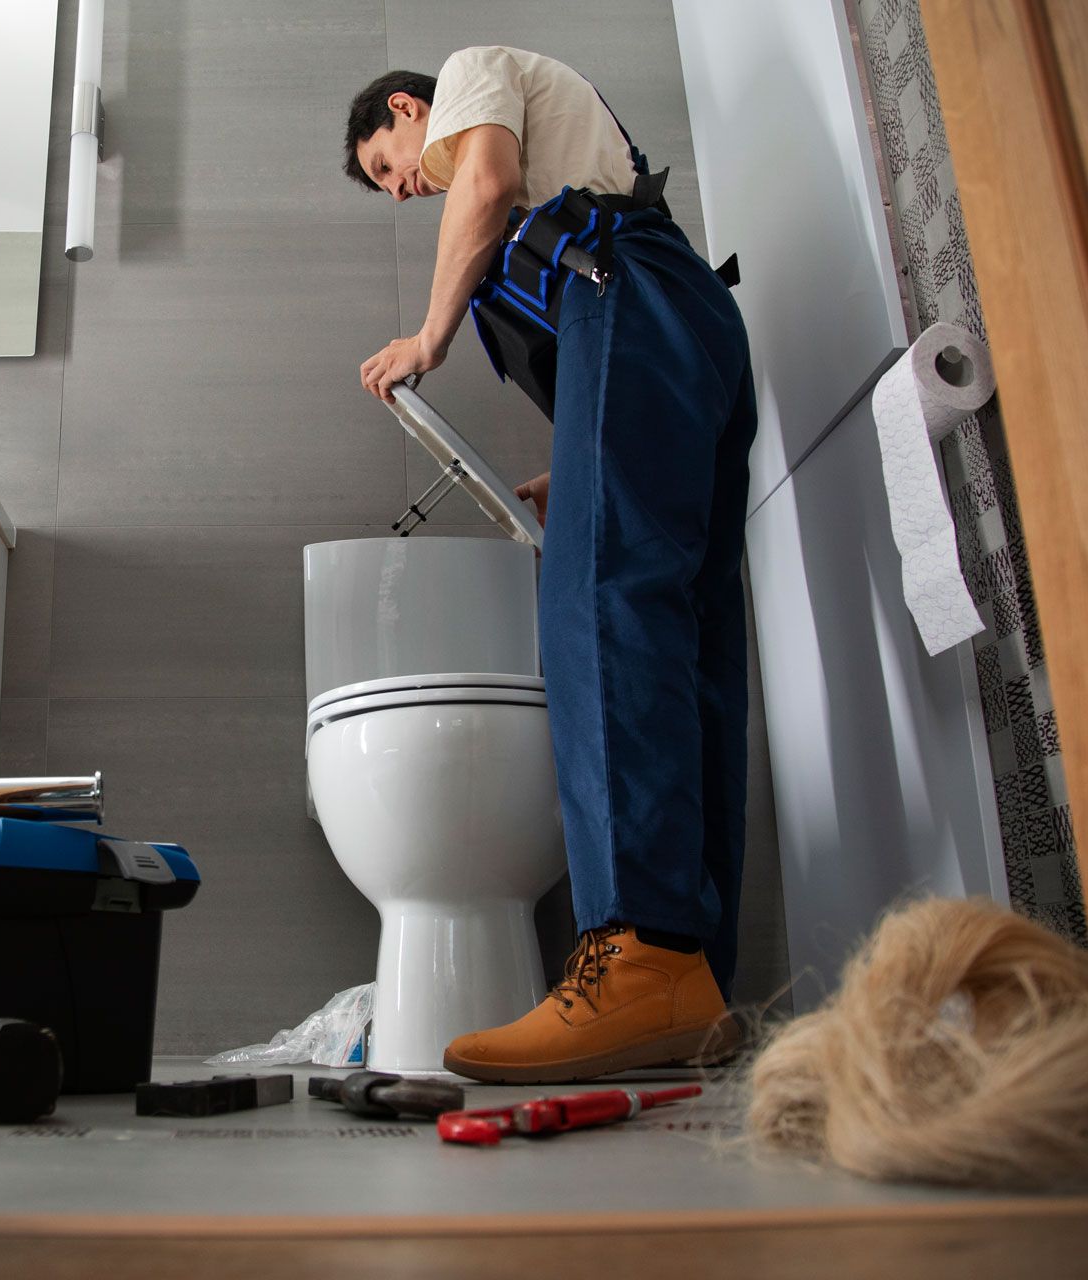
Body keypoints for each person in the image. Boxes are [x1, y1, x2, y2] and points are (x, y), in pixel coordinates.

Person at [343, 47, 756, 1083]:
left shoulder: (473, 74)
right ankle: (690, 979)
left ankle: (640, 951)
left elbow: (483, 182)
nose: (408, 188)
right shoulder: (565, 171)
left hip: (631, 289)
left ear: (408, 109)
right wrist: (572, 466)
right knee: (687, 635)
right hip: (683, 319)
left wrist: (431, 334)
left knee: (596, 604)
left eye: (392, 167)